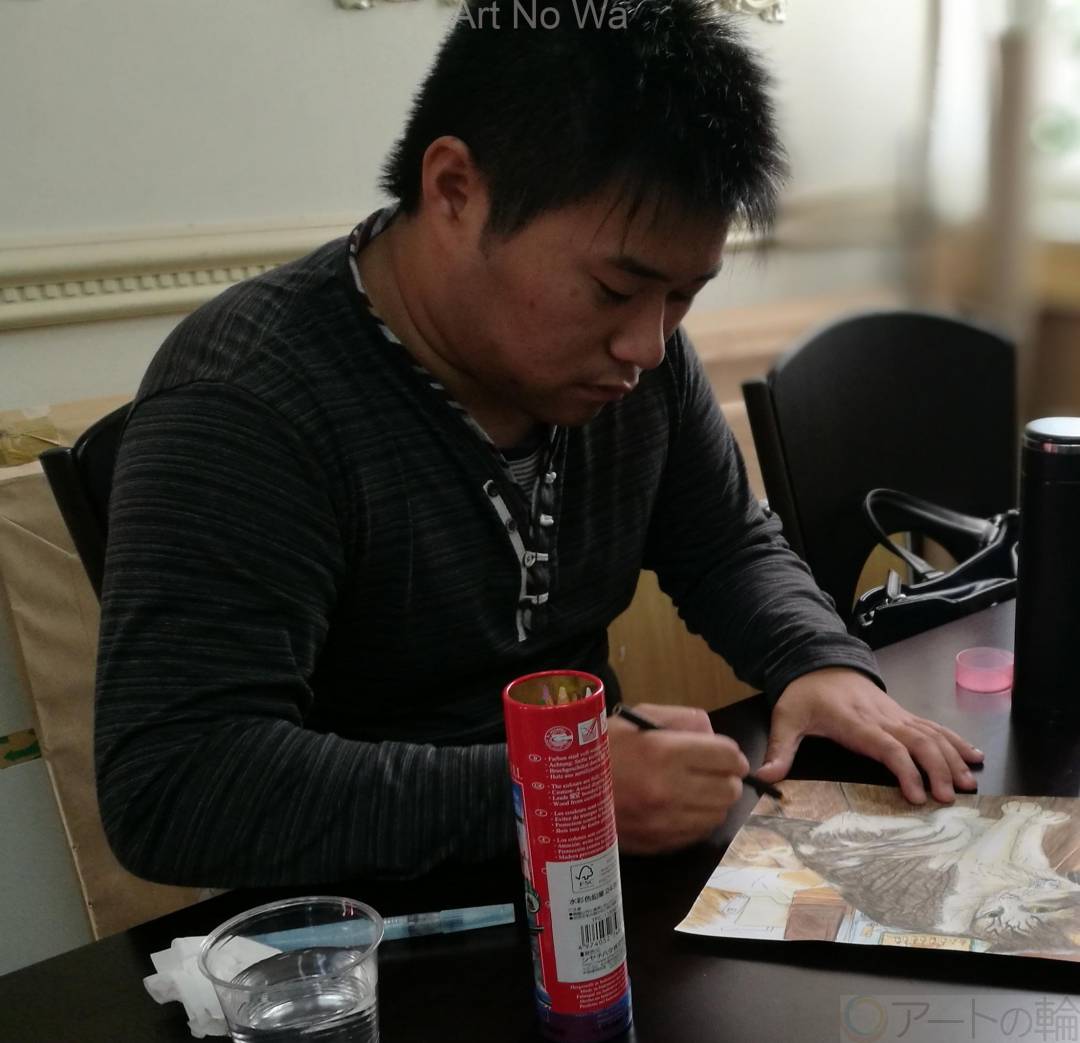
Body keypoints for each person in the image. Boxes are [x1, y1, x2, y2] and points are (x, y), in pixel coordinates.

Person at [95, 0, 982, 888]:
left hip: (591, 886)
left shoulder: (636, 362)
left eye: (683, 295)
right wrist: (558, 785)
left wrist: (816, 659)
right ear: (455, 189)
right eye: (614, 290)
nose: (648, 344)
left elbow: (723, 543)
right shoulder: (250, 400)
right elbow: (175, 782)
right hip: (364, 925)